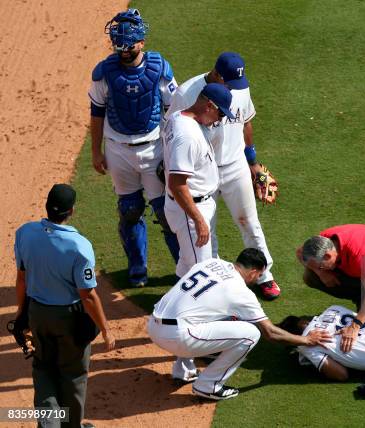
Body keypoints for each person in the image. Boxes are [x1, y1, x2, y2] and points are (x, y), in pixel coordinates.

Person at [165, 52, 281, 300]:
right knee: (207, 230)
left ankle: (263, 274)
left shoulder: (238, 86)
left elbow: (245, 122)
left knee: (249, 221)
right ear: (216, 74)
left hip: (235, 164)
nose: (233, 89)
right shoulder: (187, 92)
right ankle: (213, 280)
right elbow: (173, 128)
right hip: (201, 171)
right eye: (227, 83)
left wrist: (253, 163)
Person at [147, 248, 331, 400]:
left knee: (204, 313)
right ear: (253, 272)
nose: (256, 279)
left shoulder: (211, 263)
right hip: (179, 337)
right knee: (251, 334)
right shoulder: (241, 292)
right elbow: (270, 333)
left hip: (153, 325)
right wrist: (305, 340)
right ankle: (208, 385)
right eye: (258, 275)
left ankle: (183, 371)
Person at [88, 8, 180, 287]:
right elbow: (96, 112)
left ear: (141, 42)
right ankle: (137, 268)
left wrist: (174, 151)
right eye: (118, 45)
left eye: (127, 45)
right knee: (129, 209)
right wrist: (95, 151)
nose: (122, 51)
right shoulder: (104, 73)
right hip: (117, 149)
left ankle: (184, 269)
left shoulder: (159, 69)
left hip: (154, 148)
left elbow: (173, 111)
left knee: (165, 212)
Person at [14, 184, 116, 428]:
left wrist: (22, 314)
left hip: (37, 312)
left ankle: (49, 425)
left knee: (43, 369)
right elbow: (88, 295)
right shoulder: (79, 245)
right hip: (69, 318)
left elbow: (21, 279)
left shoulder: (25, 233)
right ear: (72, 210)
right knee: (73, 374)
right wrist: (105, 329)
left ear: (47, 205)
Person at [162, 83, 234, 278]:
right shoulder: (187, 136)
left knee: (187, 265)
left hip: (194, 206)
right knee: (202, 276)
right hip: (189, 210)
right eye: (221, 114)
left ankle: (168, 306)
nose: (220, 120)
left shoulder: (178, 117)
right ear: (209, 106)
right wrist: (198, 220)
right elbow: (177, 184)